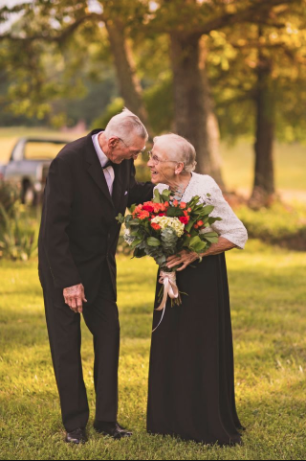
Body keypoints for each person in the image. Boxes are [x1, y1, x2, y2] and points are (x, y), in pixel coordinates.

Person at [38, 109, 154, 445]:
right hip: (65, 269)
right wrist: (68, 281)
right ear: (114, 141)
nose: (136, 158)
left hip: (100, 269)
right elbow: (53, 230)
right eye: (133, 153)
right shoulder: (68, 161)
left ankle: (107, 420)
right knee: (66, 347)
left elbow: (126, 193)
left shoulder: (123, 159)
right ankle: (75, 424)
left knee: (109, 337)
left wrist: (164, 191)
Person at [147, 134, 248, 446]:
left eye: (155, 158)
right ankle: (169, 419)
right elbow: (163, 232)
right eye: (150, 156)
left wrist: (195, 253)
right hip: (171, 273)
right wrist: (163, 258)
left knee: (199, 344)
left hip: (203, 275)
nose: (149, 163)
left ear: (178, 166)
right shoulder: (160, 189)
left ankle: (203, 420)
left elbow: (236, 232)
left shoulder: (205, 188)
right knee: (170, 342)